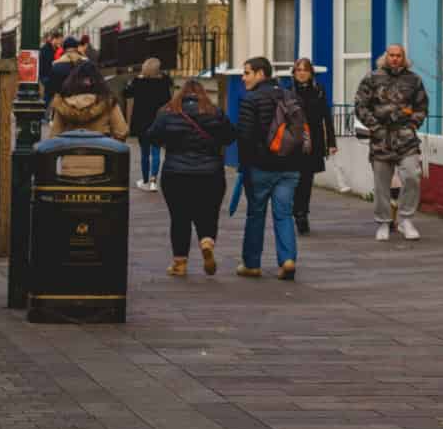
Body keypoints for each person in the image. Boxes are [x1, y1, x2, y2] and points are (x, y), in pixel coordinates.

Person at [143, 78, 235, 277]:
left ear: (180, 93)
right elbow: (230, 137)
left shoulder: (167, 113)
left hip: (176, 174)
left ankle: (180, 263)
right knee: (208, 213)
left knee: (179, 218)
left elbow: (152, 137)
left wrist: (170, 142)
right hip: (211, 173)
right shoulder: (215, 112)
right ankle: (206, 241)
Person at [234, 56, 302, 281]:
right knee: (284, 214)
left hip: (260, 166)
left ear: (260, 74)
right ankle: (288, 260)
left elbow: (244, 136)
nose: (243, 78)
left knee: (256, 214)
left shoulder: (250, 99)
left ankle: (252, 264)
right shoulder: (290, 95)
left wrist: (244, 165)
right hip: (290, 166)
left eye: (247, 73)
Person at [354, 43, 428, 243]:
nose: (395, 58)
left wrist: (413, 124)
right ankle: (384, 222)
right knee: (382, 184)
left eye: (399, 55)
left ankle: (406, 219)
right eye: (392, 55)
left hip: (406, 138)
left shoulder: (414, 80)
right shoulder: (372, 78)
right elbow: (360, 106)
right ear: (386, 57)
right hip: (381, 138)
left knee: (412, 176)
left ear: (404, 58)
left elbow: (422, 106)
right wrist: (375, 127)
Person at [289, 58, 336, 236]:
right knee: (295, 179)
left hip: (314, 141)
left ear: (311, 73)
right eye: (298, 70)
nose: (302, 73)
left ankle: (302, 213)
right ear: (294, 73)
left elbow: (326, 117)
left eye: (305, 70)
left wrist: (331, 142)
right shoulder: (288, 91)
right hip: (294, 141)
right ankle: (296, 210)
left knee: (307, 179)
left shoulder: (319, 91)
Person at [122, 58, 175, 192]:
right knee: (156, 151)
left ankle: (145, 181)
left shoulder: (137, 81)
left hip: (141, 122)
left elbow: (126, 94)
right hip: (158, 121)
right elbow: (169, 99)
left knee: (144, 153)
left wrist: (134, 80)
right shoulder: (164, 82)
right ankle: (153, 182)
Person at [46, 58, 128, 140]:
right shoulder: (108, 102)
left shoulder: (62, 104)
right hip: (100, 147)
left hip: (70, 147)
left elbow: (54, 135)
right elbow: (121, 132)